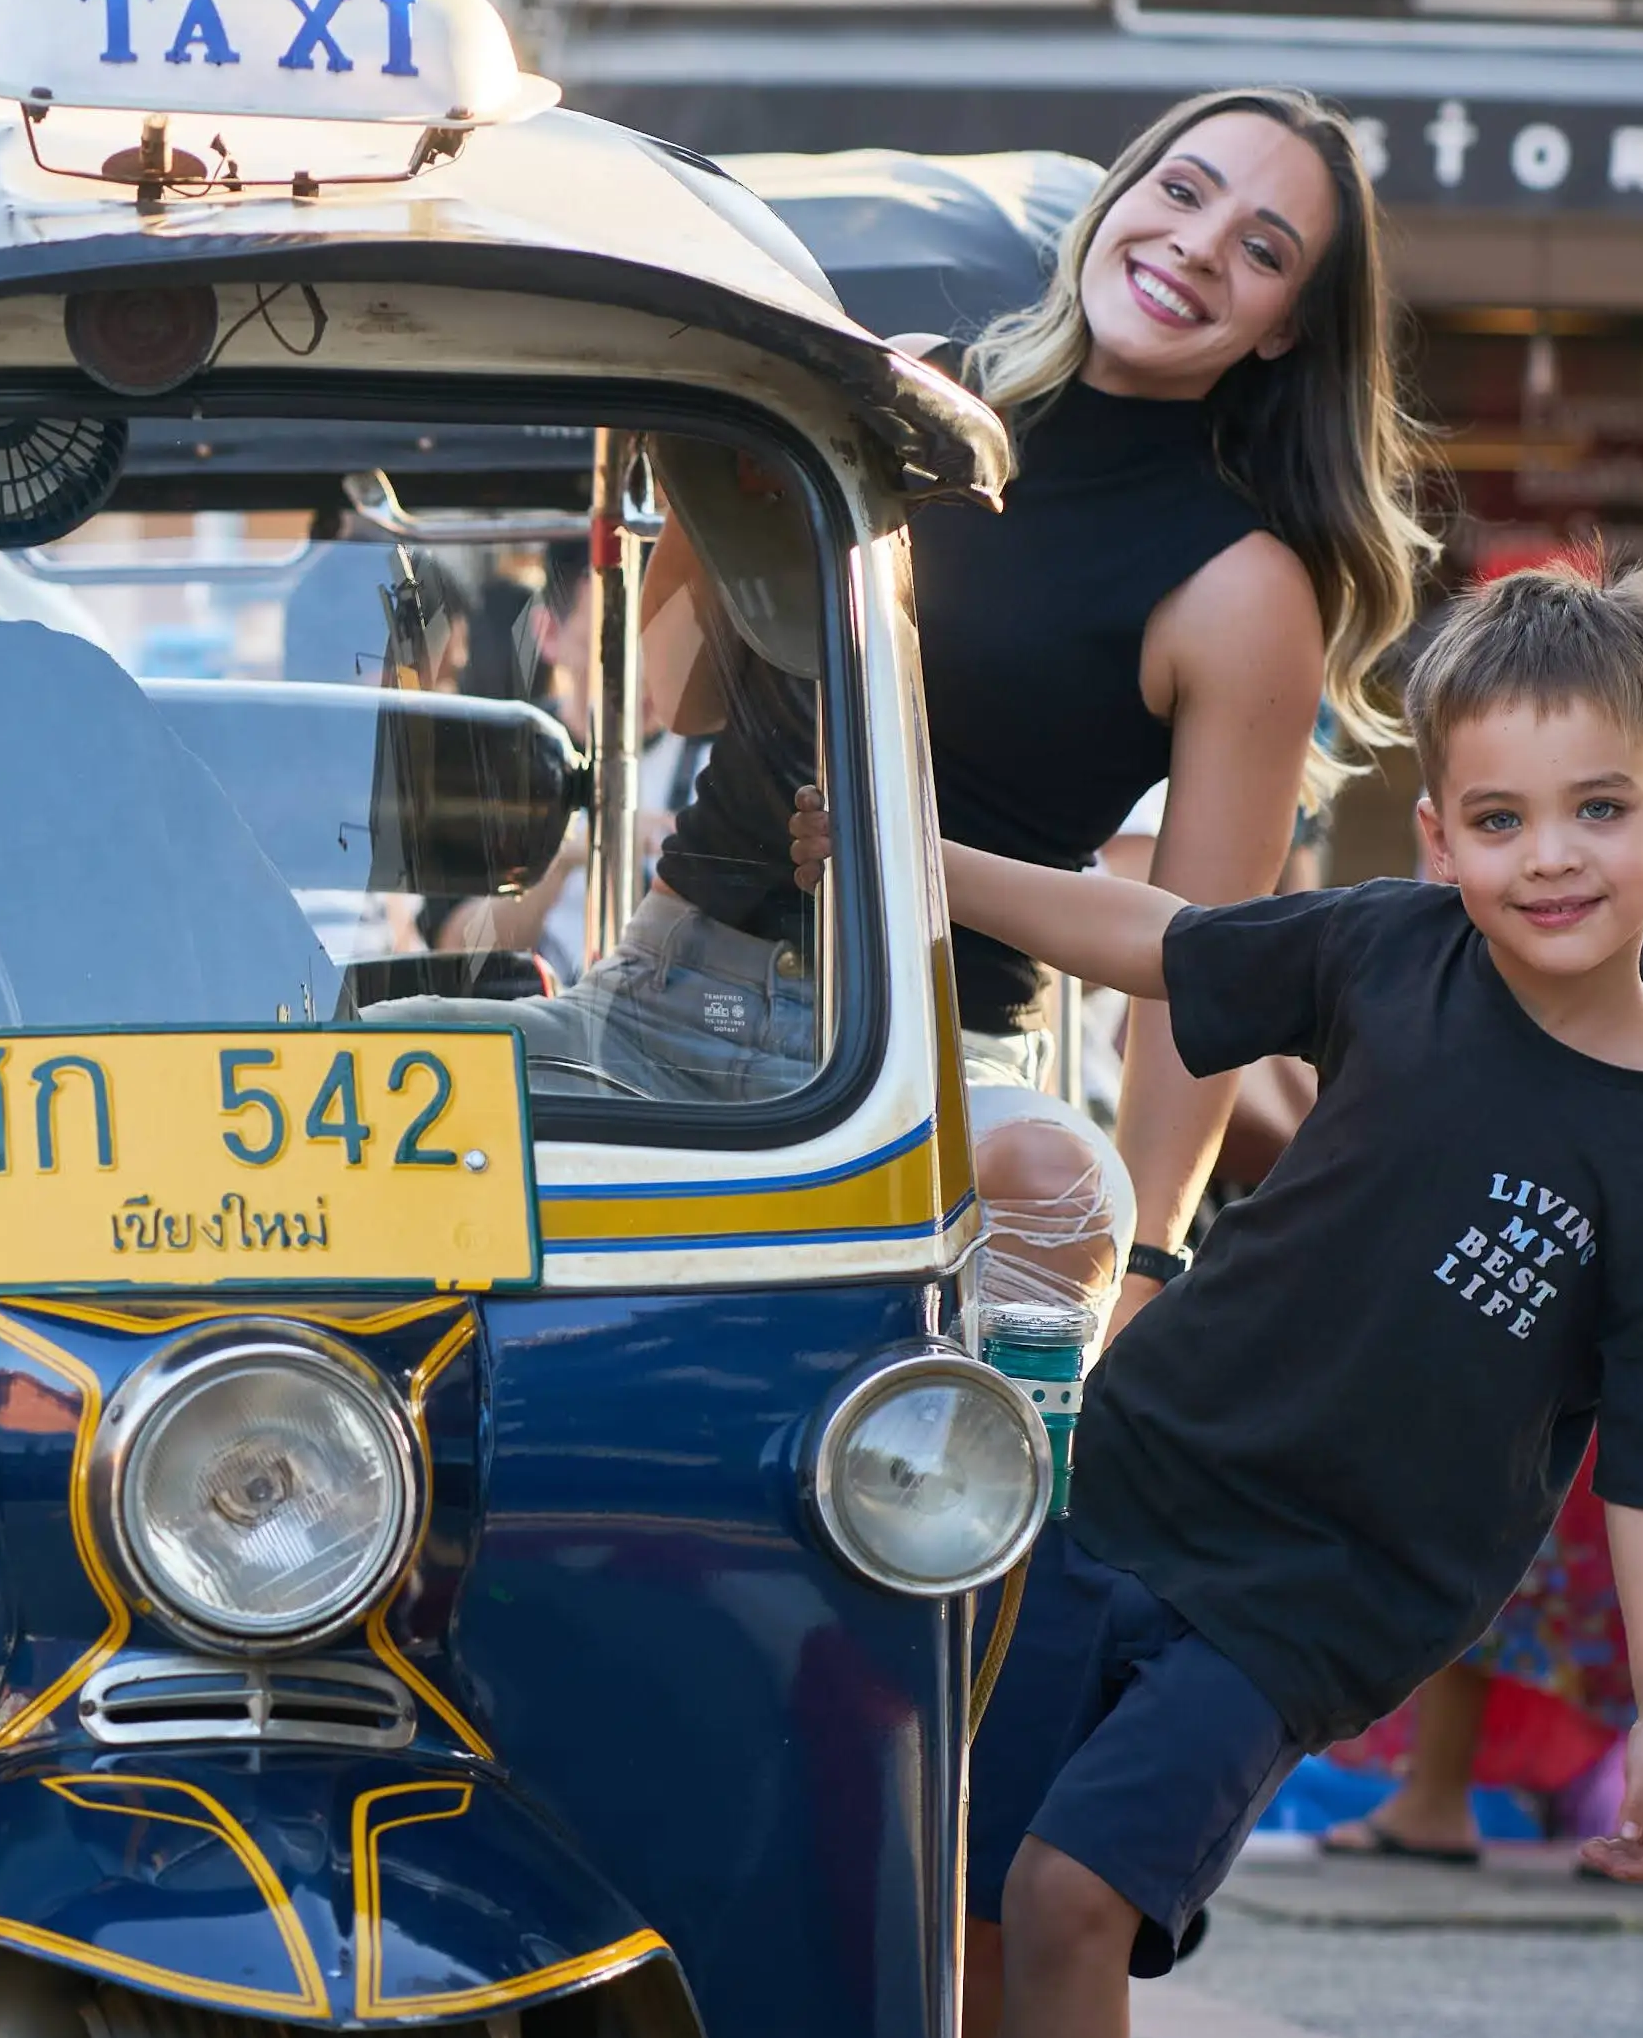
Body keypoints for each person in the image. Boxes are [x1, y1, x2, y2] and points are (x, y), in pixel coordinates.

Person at [811, 561, 1643, 2038]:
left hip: (1317, 1599)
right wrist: (906, 857)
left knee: (1078, 1890)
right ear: (1437, 831)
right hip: (1125, 1481)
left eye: (1600, 810)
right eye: (1498, 819)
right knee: (969, 1899)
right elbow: (1160, 943)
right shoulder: (1396, 948)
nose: (1548, 860)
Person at [579, 90, 1435, 1330]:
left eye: (1260, 247)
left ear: (1282, 328)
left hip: (937, 1076)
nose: (1197, 245)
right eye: (1181, 192)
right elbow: (681, 694)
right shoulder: (897, 395)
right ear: (1118, 201)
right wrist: (731, 457)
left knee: (917, 1426)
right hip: (656, 996)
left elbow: (1192, 969)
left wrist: (1140, 1265)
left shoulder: (1245, 589)